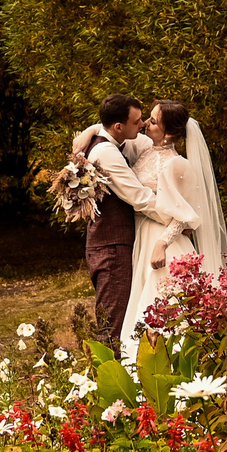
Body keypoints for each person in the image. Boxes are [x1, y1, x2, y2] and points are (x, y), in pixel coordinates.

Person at [118, 99, 227, 359]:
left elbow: (185, 214)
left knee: (162, 306)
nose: (145, 123)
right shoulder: (145, 150)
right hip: (144, 234)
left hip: (164, 243)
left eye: (153, 122)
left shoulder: (178, 164)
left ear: (168, 134)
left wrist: (162, 243)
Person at [79, 95, 155, 348]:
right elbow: (139, 198)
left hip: (113, 242)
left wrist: (91, 129)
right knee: (113, 325)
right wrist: (180, 217)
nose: (142, 124)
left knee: (120, 320)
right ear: (118, 127)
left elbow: (145, 139)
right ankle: (105, 382)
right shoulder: (106, 152)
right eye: (137, 121)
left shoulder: (116, 139)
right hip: (111, 247)